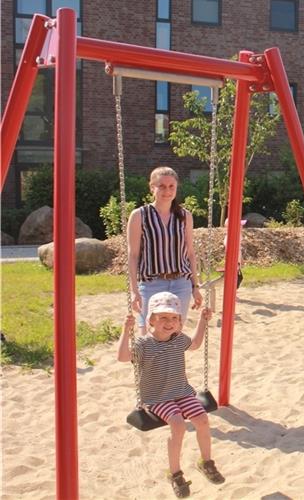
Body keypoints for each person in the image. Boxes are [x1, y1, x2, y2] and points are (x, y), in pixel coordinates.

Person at [117, 292, 225, 498]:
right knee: (178, 424)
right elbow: (122, 357)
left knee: (202, 419)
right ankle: (175, 473)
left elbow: (194, 344)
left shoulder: (178, 339)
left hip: (181, 391)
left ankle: (206, 462)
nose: (169, 322)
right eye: (163, 318)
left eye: (174, 318)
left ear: (180, 322)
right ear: (151, 320)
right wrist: (126, 330)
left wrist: (203, 321)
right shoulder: (143, 344)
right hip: (157, 397)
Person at [128, 167, 202, 334]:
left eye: (171, 186)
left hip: (181, 283)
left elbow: (190, 253)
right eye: (161, 186)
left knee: (174, 333)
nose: (167, 191)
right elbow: (133, 255)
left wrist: (195, 286)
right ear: (152, 187)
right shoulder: (139, 215)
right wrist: (134, 291)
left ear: (176, 188)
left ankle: (172, 361)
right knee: (148, 333)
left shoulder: (184, 216)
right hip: (151, 283)